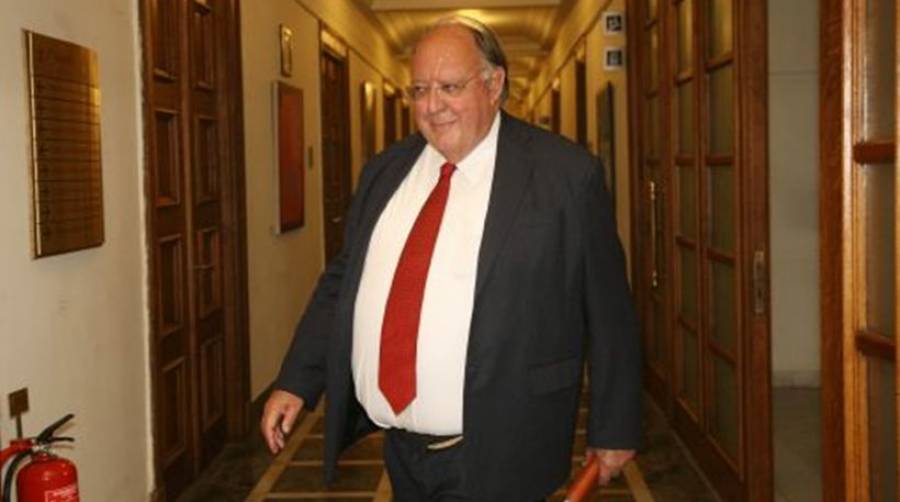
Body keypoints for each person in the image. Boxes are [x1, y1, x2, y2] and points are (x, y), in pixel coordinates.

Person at [261, 15, 641, 501]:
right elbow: (343, 282)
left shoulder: (565, 175)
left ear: (494, 85)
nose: (432, 105)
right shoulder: (385, 172)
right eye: (419, 90)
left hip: (506, 446)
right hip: (402, 453)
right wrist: (297, 380)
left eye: (449, 87)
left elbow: (609, 311)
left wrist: (614, 427)